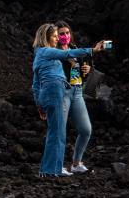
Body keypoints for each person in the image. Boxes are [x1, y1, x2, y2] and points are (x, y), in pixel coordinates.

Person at [31, 23, 105, 177]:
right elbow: (65, 56)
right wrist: (93, 50)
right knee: (57, 133)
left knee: (61, 132)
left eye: (63, 34)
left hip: (65, 91)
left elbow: (35, 84)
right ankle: (52, 169)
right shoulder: (48, 51)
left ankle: (53, 168)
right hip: (58, 92)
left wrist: (39, 103)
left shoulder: (41, 53)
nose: (59, 38)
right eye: (56, 35)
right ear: (46, 37)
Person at [55, 20, 93, 174]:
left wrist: (86, 70)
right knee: (59, 130)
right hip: (62, 92)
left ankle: (76, 163)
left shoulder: (75, 49)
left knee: (85, 129)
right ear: (56, 36)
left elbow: (82, 73)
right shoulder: (55, 53)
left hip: (77, 91)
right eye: (62, 34)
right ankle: (56, 166)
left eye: (67, 33)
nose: (65, 36)